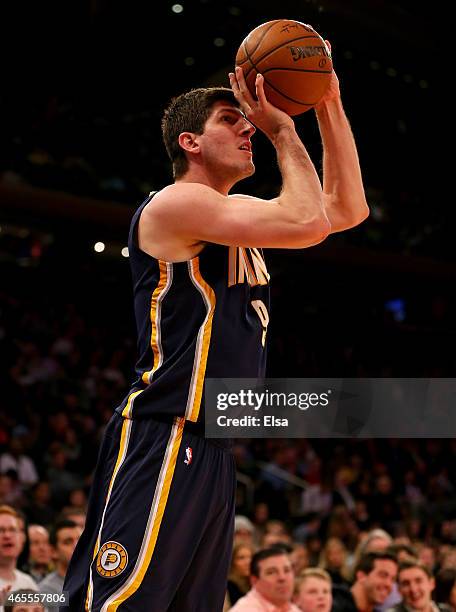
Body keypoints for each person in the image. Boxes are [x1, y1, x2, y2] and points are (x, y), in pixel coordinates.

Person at [64, 53, 368, 611]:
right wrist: (282, 128)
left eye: (247, 119)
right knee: (120, 603)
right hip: (166, 431)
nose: (247, 124)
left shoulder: (235, 214)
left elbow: (345, 210)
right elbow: (305, 222)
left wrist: (329, 104)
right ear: (190, 143)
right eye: (230, 119)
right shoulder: (178, 205)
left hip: (217, 440)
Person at [230, 547, 300, 611]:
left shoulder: (293, 609)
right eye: (271, 572)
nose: (282, 578)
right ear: (254, 580)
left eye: (287, 570)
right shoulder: (245, 609)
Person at [0, 506, 38, 612]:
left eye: (12, 530)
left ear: (22, 539)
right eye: (1, 530)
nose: (7, 535)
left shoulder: (28, 582)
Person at [332, 551, 398, 611]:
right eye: (383, 575)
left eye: (392, 579)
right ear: (361, 576)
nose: (389, 584)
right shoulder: (331, 606)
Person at [39, 520, 82, 597]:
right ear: (53, 551)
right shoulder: (47, 591)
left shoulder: (98, 579)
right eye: (68, 542)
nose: (77, 545)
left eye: (81, 540)